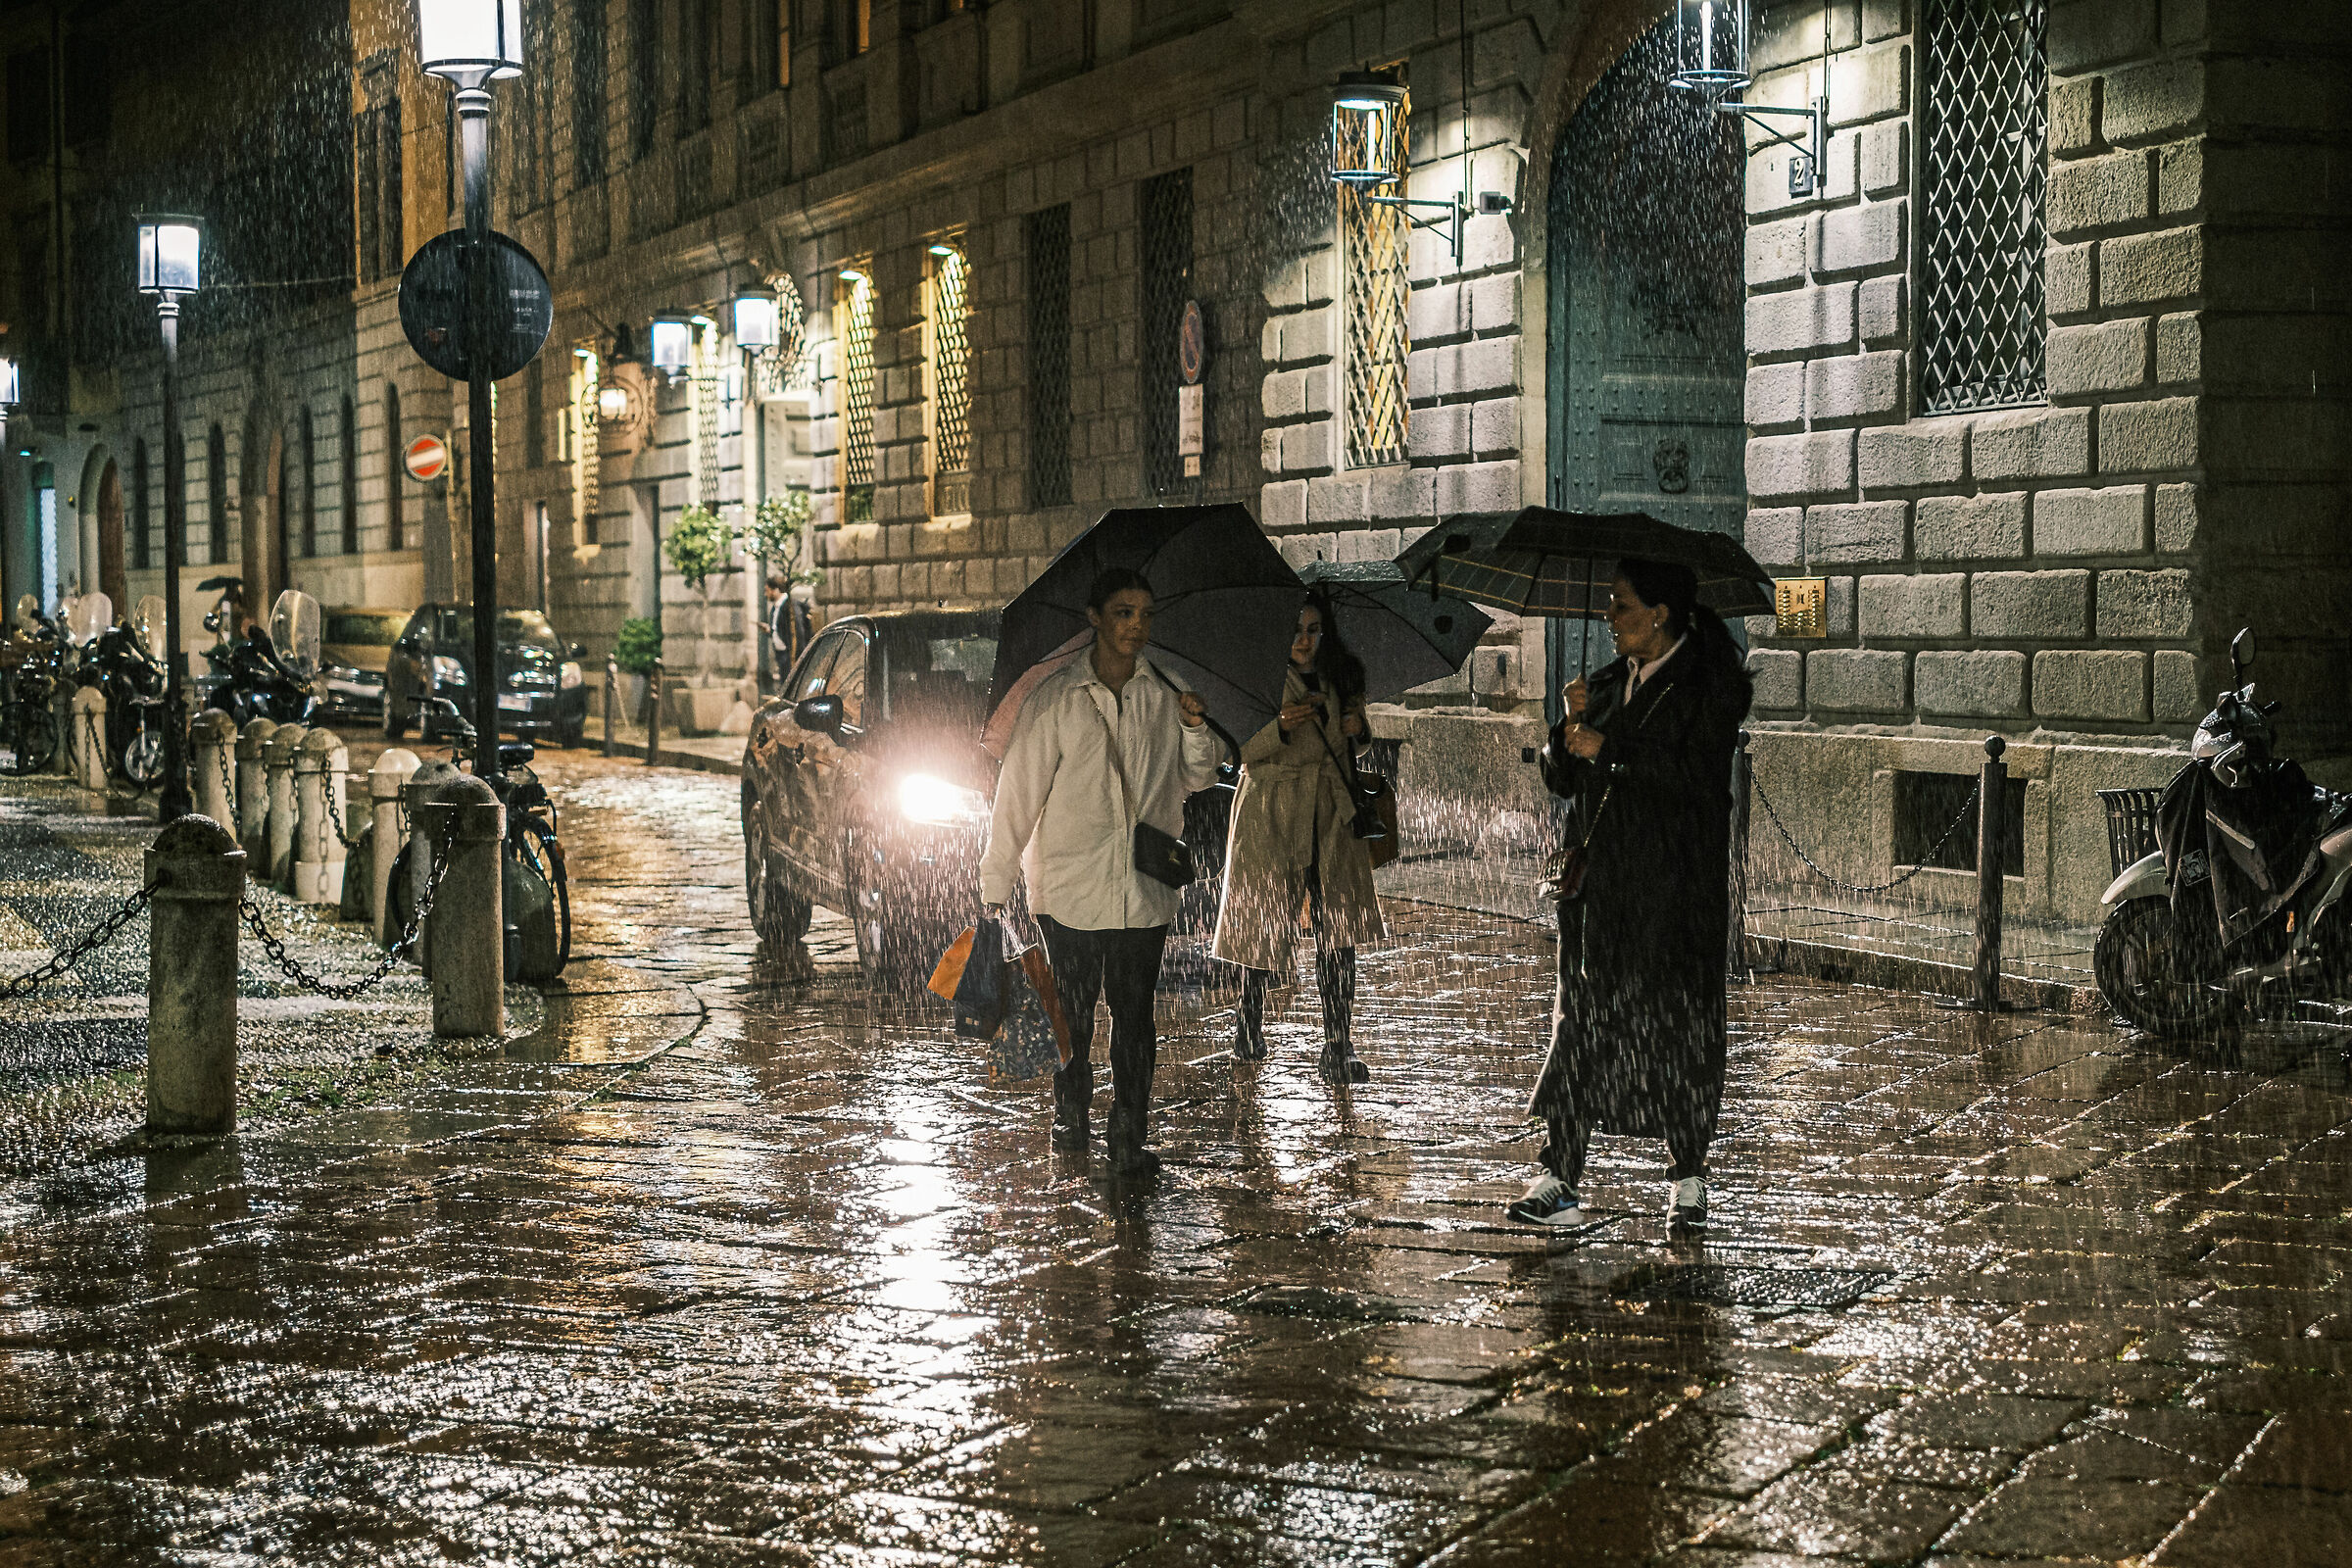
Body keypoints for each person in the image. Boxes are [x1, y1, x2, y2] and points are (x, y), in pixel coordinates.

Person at [1507, 557, 1752, 1235]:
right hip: (1604, 891)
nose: (1609, 619)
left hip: (1676, 893)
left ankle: (1688, 1178)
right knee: (1582, 1022)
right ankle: (1560, 1173)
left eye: (1622, 607)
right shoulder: (1608, 685)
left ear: (1661, 614)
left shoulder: (1711, 686)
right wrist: (1565, 730)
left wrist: (1608, 749)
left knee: (1679, 1028)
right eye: (1610, 605)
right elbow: (1563, 781)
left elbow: (1697, 779)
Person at [981, 567, 1221, 1175]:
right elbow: (1019, 793)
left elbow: (1200, 777)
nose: (1137, 626)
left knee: (1136, 1016)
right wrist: (997, 878)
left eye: (1145, 613)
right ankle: (1072, 1111)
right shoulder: (1057, 699)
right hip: (1068, 889)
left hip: (1144, 888)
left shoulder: (1168, 693)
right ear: (1094, 617)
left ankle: (1130, 1132)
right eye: (1123, 612)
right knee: (1075, 1011)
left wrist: (1195, 728)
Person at [1214, 593, 1385, 1083]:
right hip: (1272, 807)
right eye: (1296, 630)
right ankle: (1248, 1024)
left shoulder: (1343, 675)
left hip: (1330, 811)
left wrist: (1358, 725)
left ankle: (1338, 1043)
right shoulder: (1255, 677)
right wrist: (1279, 726)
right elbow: (1236, 750)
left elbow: (1353, 736)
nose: (1304, 641)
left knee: (1339, 927)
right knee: (1263, 920)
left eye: (1313, 630)